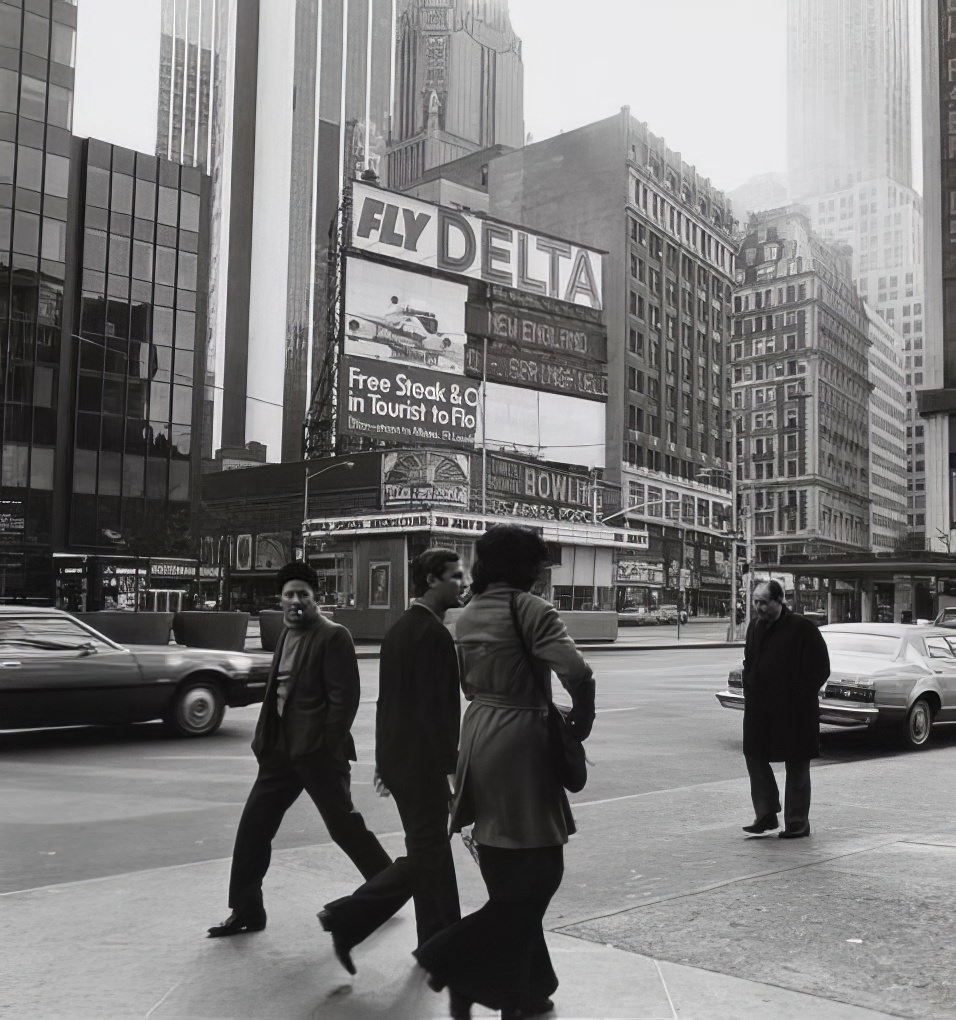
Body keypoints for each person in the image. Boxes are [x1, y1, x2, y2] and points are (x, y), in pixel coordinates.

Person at [415, 525, 596, 1020]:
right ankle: (448, 956)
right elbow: (577, 672)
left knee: (503, 864)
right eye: (539, 563)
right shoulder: (531, 610)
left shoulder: (467, 614)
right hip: (520, 740)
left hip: (478, 736)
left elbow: (467, 681)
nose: (543, 571)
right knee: (542, 871)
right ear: (521, 567)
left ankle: (525, 990)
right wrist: (581, 720)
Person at [207, 561, 390, 937]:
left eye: (302, 595)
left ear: (315, 598)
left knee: (345, 828)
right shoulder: (286, 635)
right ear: (280, 598)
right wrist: (266, 741)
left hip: (318, 754)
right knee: (253, 829)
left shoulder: (333, 635)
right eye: (289, 595)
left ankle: (389, 889)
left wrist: (324, 744)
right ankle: (246, 910)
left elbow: (345, 700)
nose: (295, 601)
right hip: (279, 754)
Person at [317, 548, 465, 974]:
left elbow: (387, 702)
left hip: (401, 761)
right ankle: (348, 917)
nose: (461, 583)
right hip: (423, 767)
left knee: (431, 851)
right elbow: (442, 713)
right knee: (427, 854)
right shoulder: (435, 636)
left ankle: (438, 942)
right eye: (454, 576)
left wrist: (384, 761)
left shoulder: (398, 629)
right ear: (433, 580)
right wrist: (452, 775)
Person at [740, 579, 830, 839]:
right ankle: (766, 814)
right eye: (755, 602)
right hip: (760, 709)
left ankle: (797, 823)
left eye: (763, 602)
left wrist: (799, 694)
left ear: (779, 601)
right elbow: (750, 661)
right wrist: (750, 686)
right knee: (754, 755)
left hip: (795, 711)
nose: (758, 607)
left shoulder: (802, 628)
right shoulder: (755, 627)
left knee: (797, 763)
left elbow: (820, 668)